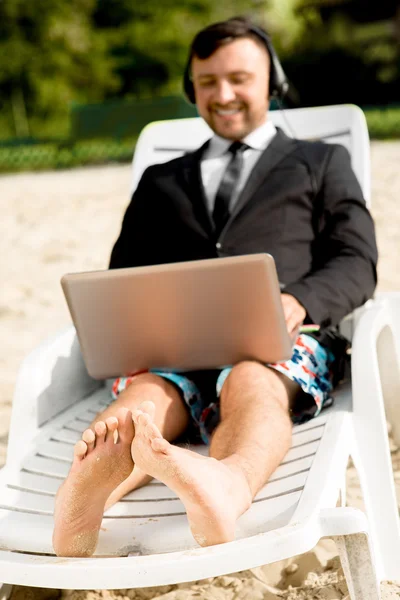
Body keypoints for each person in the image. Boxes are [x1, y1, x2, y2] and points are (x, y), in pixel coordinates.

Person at [52, 16, 378, 557]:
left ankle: (227, 482)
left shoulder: (320, 162)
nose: (222, 95)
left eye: (239, 79)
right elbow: (122, 273)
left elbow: (358, 258)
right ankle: (87, 490)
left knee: (253, 379)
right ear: (191, 88)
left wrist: (299, 301)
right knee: (146, 395)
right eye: (207, 82)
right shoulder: (162, 181)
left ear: (271, 82)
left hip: (276, 342)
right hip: (171, 348)